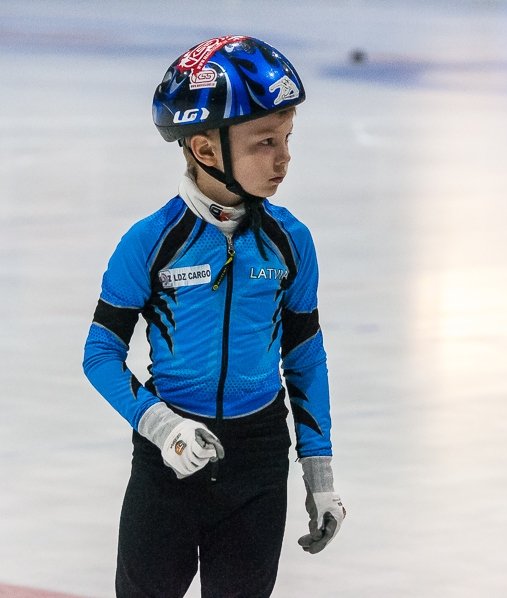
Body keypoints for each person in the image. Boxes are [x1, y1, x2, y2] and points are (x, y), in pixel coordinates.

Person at [83, 35, 345, 598]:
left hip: (259, 460)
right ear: (205, 151)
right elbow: (100, 353)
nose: (283, 158)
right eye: (264, 142)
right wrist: (163, 426)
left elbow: (305, 358)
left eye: (287, 138)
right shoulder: (151, 242)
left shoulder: (290, 242)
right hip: (169, 456)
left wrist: (318, 476)